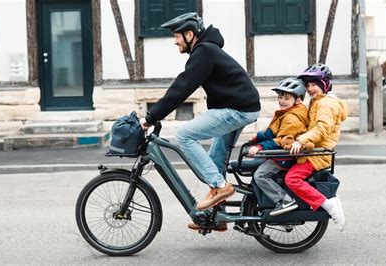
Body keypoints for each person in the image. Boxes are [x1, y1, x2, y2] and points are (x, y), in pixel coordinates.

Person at [139, 12, 261, 230]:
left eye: (176, 36)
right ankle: (218, 217)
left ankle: (220, 187)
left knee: (185, 135)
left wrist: (151, 117)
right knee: (215, 160)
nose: (175, 41)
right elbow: (183, 86)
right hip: (241, 107)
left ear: (189, 34)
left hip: (238, 110)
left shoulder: (204, 51)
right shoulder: (206, 50)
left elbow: (182, 88)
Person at [285, 63, 347, 231]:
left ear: (324, 84)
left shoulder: (326, 105)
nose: (310, 88)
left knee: (292, 179)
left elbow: (321, 128)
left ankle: (329, 205)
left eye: (314, 84)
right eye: (308, 85)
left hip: (317, 154)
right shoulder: (317, 101)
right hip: (312, 150)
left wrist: (300, 141)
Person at [248, 78, 309, 216]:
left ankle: (285, 200)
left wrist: (260, 146)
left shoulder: (292, 118)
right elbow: (272, 132)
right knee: (254, 167)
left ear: (297, 100)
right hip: (279, 154)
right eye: (280, 97)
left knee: (260, 175)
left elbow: (282, 140)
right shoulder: (286, 113)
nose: (282, 101)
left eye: (286, 98)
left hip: (284, 156)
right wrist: (258, 137)